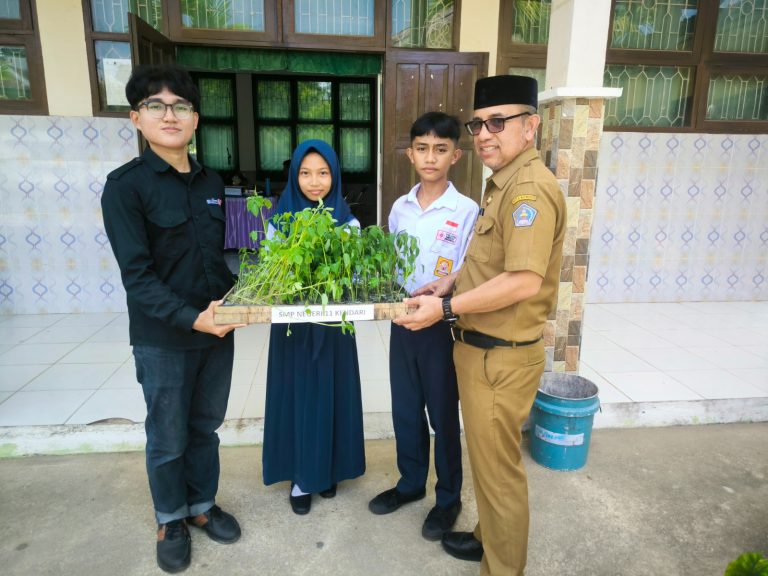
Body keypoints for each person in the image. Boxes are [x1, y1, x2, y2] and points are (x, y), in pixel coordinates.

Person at [395, 75, 566, 576]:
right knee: (488, 467)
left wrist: (445, 309)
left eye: (498, 122)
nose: (485, 133)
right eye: (479, 124)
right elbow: (491, 264)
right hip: (482, 348)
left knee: (499, 475)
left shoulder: (528, 189)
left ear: (530, 127)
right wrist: (447, 286)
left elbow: (522, 281)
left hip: (501, 354)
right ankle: (489, 539)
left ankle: (502, 566)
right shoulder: (504, 183)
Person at [101, 64, 245, 573]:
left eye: (180, 106)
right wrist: (192, 318)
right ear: (137, 118)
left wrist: (250, 293)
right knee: (168, 434)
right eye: (157, 106)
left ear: (195, 118)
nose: (170, 114)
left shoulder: (214, 182)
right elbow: (136, 277)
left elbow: (233, 252)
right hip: (164, 336)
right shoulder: (125, 188)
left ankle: (202, 505)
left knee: (205, 428)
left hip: (217, 332)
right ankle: (170, 518)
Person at [368, 112, 479, 541]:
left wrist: (445, 301)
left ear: (456, 155)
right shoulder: (400, 207)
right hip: (402, 319)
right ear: (410, 152)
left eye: (440, 149)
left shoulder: (467, 210)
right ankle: (410, 483)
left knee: (442, 415)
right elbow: (393, 262)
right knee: (405, 408)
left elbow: (472, 268)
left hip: (441, 324)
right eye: (422, 148)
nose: (430, 157)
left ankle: (448, 497)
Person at [262, 139, 366, 515]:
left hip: (332, 327)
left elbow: (353, 277)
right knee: (298, 395)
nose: (314, 181)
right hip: (293, 330)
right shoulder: (280, 222)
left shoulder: (348, 223)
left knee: (332, 393)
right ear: (294, 176)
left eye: (323, 173)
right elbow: (271, 277)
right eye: (305, 173)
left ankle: (331, 469)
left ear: (335, 176)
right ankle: (301, 476)